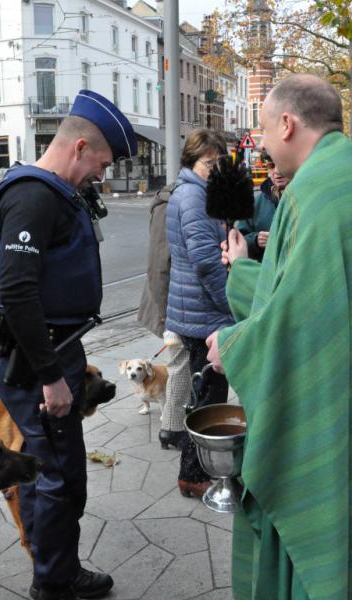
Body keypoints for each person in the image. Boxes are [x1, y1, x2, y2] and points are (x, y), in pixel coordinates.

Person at [208, 74, 352, 600]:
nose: (263, 146)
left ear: (286, 124)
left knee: (328, 528)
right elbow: (309, 295)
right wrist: (244, 269)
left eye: (264, 130)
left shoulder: (314, 192)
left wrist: (233, 346)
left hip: (338, 401)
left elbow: (299, 318)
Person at [0, 89, 134, 600]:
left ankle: (51, 566)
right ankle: (54, 582)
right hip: (36, 359)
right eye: (101, 162)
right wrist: (51, 376)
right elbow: (18, 289)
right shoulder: (34, 195)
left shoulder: (50, 191)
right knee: (60, 475)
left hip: (48, 349)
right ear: (79, 146)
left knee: (43, 467)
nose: (101, 174)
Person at [165, 128, 233, 498]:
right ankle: (194, 474)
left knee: (205, 393)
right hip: (203, 312)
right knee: (207, 396)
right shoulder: (192, 196)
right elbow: (206, 262)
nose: (216, 167)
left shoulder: (196, 191)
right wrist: (231, 302)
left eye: (220, 161)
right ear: (193, 161)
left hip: (197, 308)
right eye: (210, 162)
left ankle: (196, 469)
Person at [137, 182, 191, 451]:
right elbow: (158, 266)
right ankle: (171, 426)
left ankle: (176, 422)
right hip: (175, 304)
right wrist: (166, 318)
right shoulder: (170, 205)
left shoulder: (194, 196)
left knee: (186, 364)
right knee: (181, 362)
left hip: (185, 302)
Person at [237, 152, 289, 261]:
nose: (277, 171)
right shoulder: (255, 202)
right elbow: (240, 239)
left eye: (281, 165)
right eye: (271, 166)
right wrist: (255, 240)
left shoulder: (305, 198)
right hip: (265, 272)